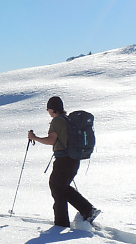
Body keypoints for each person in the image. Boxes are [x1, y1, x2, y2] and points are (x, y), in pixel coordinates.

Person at [28, 96, 101, 228]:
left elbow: (51, 140)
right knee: (61, 188)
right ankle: (87, 210)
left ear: (53, 109)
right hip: (74, 160)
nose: (48, 112)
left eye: (49, 109)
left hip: (63, 160)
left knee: (57, 187)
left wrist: (34, 138)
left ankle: (63, 223)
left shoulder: (57, 121)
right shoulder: (68, 120)